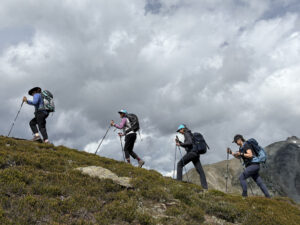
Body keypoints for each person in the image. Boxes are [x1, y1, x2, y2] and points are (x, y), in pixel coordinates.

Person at [176, 124, 208, 189]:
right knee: (200, 171)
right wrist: (180, 142)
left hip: (192, 153)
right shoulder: (190, 133)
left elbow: (189, 143)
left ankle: (178, 183)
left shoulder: (186, 133)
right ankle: (205, 188)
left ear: (183, 129)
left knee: (179, 164)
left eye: (179, 130)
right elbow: (189, 144)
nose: (179, 132)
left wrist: (180, 144)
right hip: (196, 154)